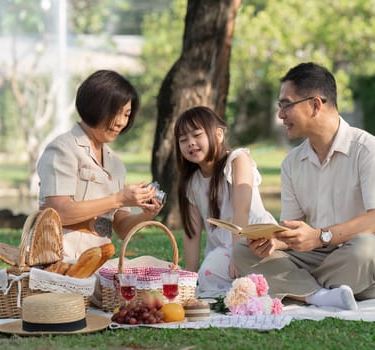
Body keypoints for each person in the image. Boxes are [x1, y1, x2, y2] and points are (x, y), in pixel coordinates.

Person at [232, 62, 375, 310]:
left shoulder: (367, 149)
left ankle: (300, 290)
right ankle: (320, 295)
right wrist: (274, 242)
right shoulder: (292, 163)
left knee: (365, 249)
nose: (281, 115)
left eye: (286, 105)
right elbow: (292, 232)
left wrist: (320, 236)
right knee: (242, 251)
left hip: (367, 262)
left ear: (314, 104)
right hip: (319, 259)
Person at [37, 69, 163, 259]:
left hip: (99, 259)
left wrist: (146, 214)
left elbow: (121, 227)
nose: (121, 122)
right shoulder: (63, 149)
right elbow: (58, 211)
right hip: (61, 258)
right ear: (93, 107)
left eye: (126, 114)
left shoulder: (115, 163)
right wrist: (119, 198)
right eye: (115, 112)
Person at [175, 106, 277, 298]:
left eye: (197, 135)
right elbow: (192, 234)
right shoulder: (191, 183)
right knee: (208, 274)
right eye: (183, 140)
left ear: (219, 134)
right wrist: (189, 277)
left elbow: (242, 211)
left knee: (216, 273)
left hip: (256, 242)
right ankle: (241, 291)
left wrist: (237, 257)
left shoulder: (237, 160)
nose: (191, 143)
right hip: (222, 254)